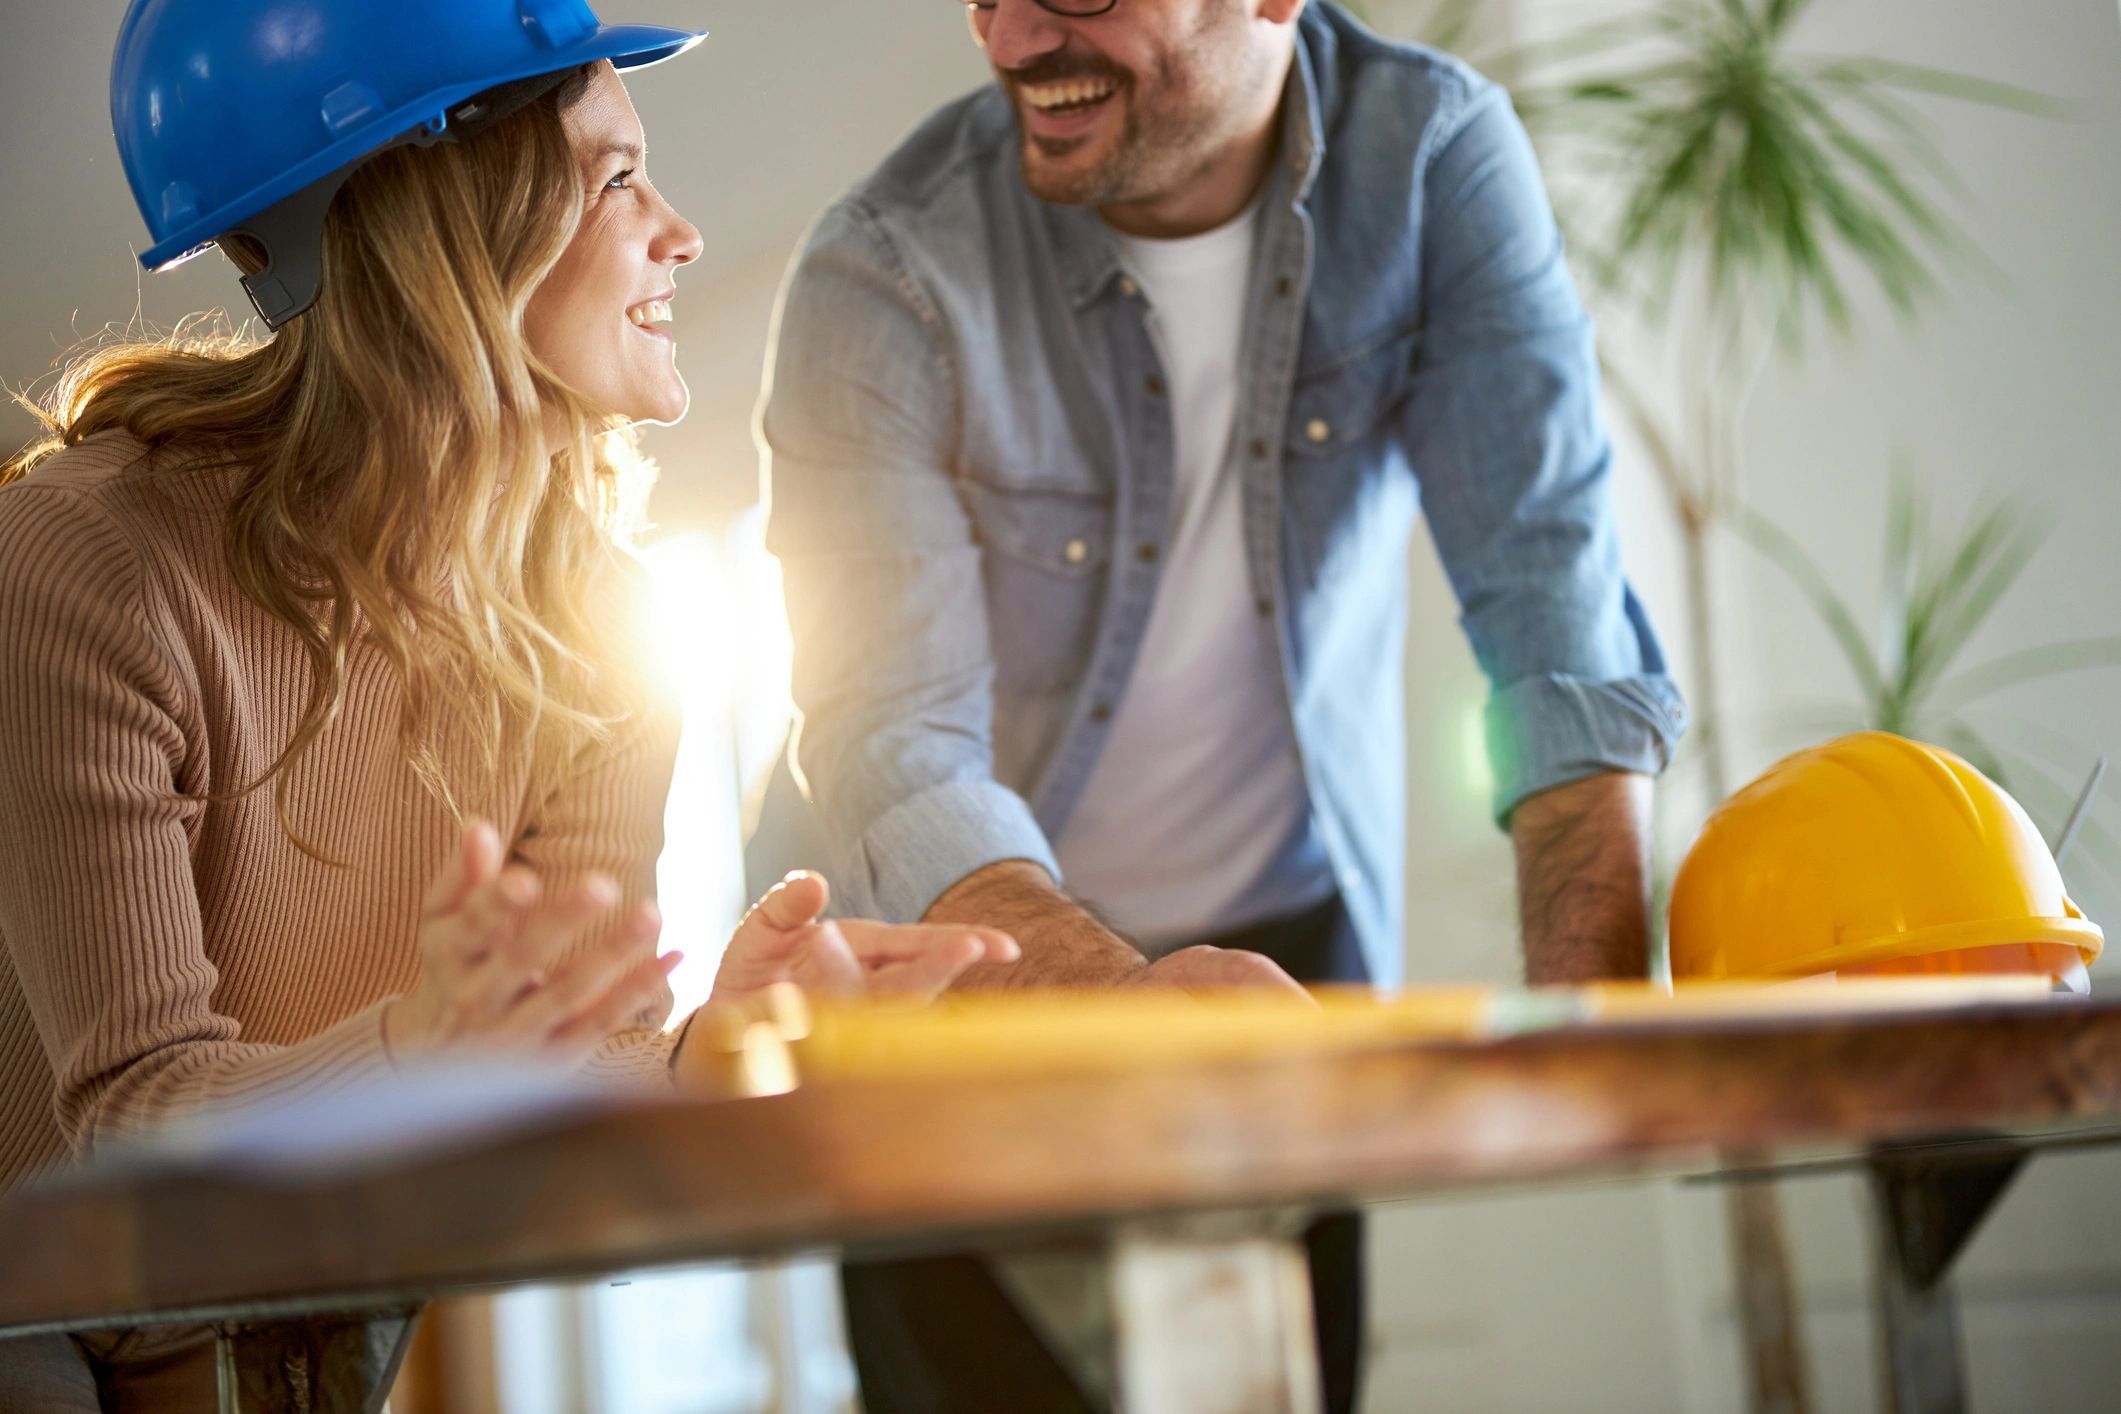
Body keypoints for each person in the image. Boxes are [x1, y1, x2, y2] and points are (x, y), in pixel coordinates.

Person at [0, 2, 1014, 1408]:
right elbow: (130, 1131)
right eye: (613, 177)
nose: (680, 231)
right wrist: (436, 1052)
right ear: (446, 223)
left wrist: (697, 1059)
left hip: (329, 1312)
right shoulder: (92, 561)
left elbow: (547, 1084)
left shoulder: (600, 617)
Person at [754, 0, 1688, 1407]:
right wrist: (1133, 1007)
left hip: (1278, 960)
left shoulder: (1429, 158)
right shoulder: (881, 272)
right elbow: (895, 747)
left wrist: (1593, 1033)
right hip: (941, 992)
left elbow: (1547, 609)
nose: (1012, 39)